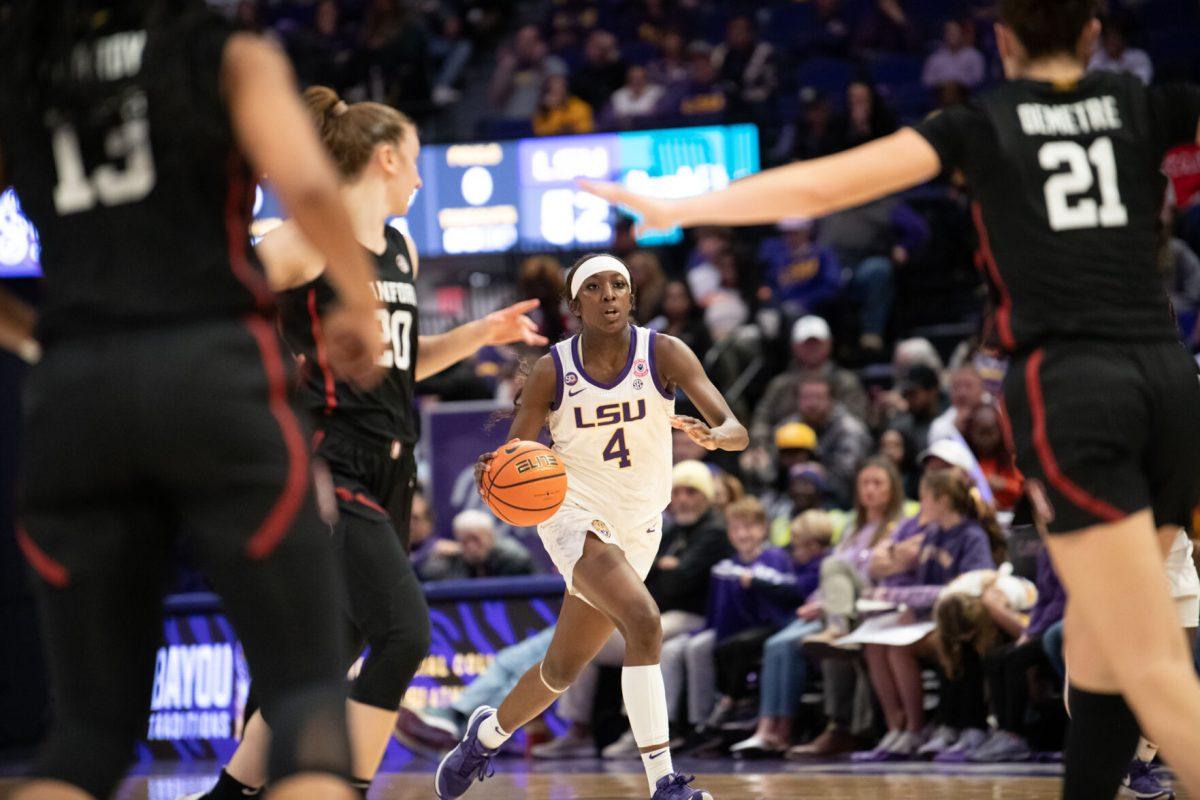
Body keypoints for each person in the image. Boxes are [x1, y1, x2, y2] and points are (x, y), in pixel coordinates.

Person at [583, 3, 1200, 790]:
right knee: (1100, 644)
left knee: (1139, 655)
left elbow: (828, 181)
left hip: (1077, 382)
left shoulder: (981, 121)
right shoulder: (1145, 101)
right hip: (1170, 373)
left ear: (1002, 41)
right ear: (1091, 35)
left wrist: (679, 208)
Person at [0, 2, 387, 798]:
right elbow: (309, 184)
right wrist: (357, 297)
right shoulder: (223, 51)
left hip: (74, 392)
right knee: (310, 701)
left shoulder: (22, 66)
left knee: (84, 741)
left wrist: (35, 339)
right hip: (211, 370)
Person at [187, 86, 547, 800]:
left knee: (324, 654)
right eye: (413, 163)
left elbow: (403, 365)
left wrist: (482, 335)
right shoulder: (300, 244)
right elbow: (218, 319)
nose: (419, 179)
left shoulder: (402, 248)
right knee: (405, 634)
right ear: (383, 158)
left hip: (391, 469)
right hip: (328, 462)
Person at [435, 254, 747, 800]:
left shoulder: (666, 352)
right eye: (595, 287)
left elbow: (735, 427)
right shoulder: (553, 370)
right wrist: (498, 467)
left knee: (561, 669)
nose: (609, 295)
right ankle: (665, 784)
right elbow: (521, 450)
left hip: (641, 522)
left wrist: (719, 436)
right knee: (644, 620)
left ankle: (484, 737)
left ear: (631, 297)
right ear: (576, 305)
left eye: (619, 285)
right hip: (572, 514)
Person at [729, 510, 833, 756]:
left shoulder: (824, 564)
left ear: (814, 545)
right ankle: (766, 726)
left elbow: (800, 592)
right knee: (774, 644)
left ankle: (782, 729)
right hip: (805, 616)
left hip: (825, 616)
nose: (793, 551)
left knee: (783, 644)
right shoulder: (800, 564)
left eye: (798, 546)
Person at [418, 510, 536, 581]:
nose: (471, 546)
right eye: (464, 541)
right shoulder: (454, 560)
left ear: (490, 537)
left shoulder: (511, 557)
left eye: (476, 539)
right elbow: (427, 578)